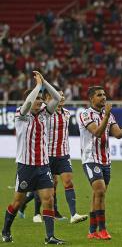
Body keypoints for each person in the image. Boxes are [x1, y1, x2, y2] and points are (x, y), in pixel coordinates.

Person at [1, 71, 65, 244]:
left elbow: (57, 98)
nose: (40, 101)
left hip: (43, 166)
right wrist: (37, 87)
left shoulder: (45, 113)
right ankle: (6, 230)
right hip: (26, 166)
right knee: (17, 202)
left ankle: (50, 236)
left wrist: (44, 82)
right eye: (37, 99)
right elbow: (28, 102)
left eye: (41, 99)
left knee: (48, 200)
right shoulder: (21, 115)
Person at [78, 86, 122, 240]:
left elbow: (118, 134)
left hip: (105, 160)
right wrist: (106, 115)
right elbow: (97, 133)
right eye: (99, 95)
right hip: (91, 159)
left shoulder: (110, 115)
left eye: (104, 94)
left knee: (97, 195)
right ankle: (103, 229)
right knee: (99, 192)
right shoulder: (85, 115)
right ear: (91, 98)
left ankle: (92, 231)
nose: (103, 97)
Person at [44, 87, 88, 224]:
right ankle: (49, 211)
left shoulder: (67, 113)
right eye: (59, 96)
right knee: (50, 187)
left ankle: (74, 214)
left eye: (63, 95)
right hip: (47, 155)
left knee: (68, 181)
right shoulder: (45, 114)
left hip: (63, 154)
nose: (62, 98)